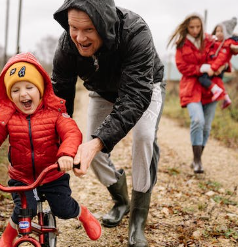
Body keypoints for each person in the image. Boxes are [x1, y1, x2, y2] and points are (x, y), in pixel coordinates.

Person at [51, 1, 165, 246]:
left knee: (144, 137)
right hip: (102, 91)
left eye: (88, 30)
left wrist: (97, 142)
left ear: (103, 25)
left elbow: (135, 96)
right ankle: (121, 200)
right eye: (73, 28)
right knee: (92, 149)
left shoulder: (136, 32)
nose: (79, 38)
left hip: (145, 87)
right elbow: (60, 99)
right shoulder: (66, 45)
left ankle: (137, 219)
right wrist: (61, 143)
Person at [0, 52, 101, 247]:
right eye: (16, 90)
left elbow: (72, 133)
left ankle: (83, 214)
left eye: (29, 87)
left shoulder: (54, 113)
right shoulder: (7, 117)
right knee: (22, 210)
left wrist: (66, 155)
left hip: (52, 173)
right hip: (22, 177)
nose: (23, 94)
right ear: (9, 95)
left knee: (63, 208)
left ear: (41, 89)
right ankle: (8, 237)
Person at [168, 14, 226, 174]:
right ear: (186, 27)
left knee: (206, 127)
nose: (194, 30)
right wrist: (200, 68)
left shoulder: (209, 40)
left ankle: (197, 159)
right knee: (198, 120)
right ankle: (197, 160)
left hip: (210, 88)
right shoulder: (181, 44)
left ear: (202, 26)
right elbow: (181, 66)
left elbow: (222, 53)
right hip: (191, 87)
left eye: (197, 27)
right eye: (191, 27)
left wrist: (223, 64)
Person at [207, 17, 238, 109]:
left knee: (216, 81)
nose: (218, 33)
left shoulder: (226, 44)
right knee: (217, 82)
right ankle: (225, 97)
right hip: (214, 68)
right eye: (217, 31)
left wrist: (213, 68)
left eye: (221, 31)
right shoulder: (215, 43)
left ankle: (224, 97)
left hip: (216, 68)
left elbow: (222, 58)